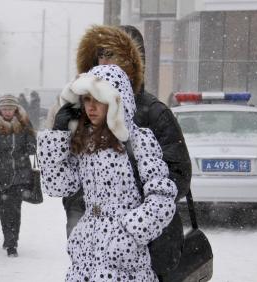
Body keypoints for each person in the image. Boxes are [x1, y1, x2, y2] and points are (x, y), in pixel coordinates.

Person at [38, 64, 177, 281]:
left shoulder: (139, 139)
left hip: (125, 260)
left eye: (98, 100)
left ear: (116, 101)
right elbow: (58, 186)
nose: (91, 107)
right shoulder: (85, 141)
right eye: (87, 100)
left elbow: (163, 198)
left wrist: (129, 233)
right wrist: (57, 134)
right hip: (86, 253)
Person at [61, 25, 192, 240]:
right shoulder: (82, 110)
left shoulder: (154, 112)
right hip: (91, 237)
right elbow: (69, 173)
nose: (103, 61)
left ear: (130, 60)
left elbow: (178, 174)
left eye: (110, 54)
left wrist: (133, 221)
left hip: (145, 243)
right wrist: (79, 214)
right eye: (99, 55)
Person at [0, 95, 36, 257]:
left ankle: (12, 243)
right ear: (0, 109)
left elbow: (33, 144)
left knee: (15, 209)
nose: (7, 112)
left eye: (10, 108)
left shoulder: (23, 122)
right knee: (3, 209)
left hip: (20, 173)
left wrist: (31, 145)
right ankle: (7, 236)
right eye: (4, 108)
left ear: (16, 109)